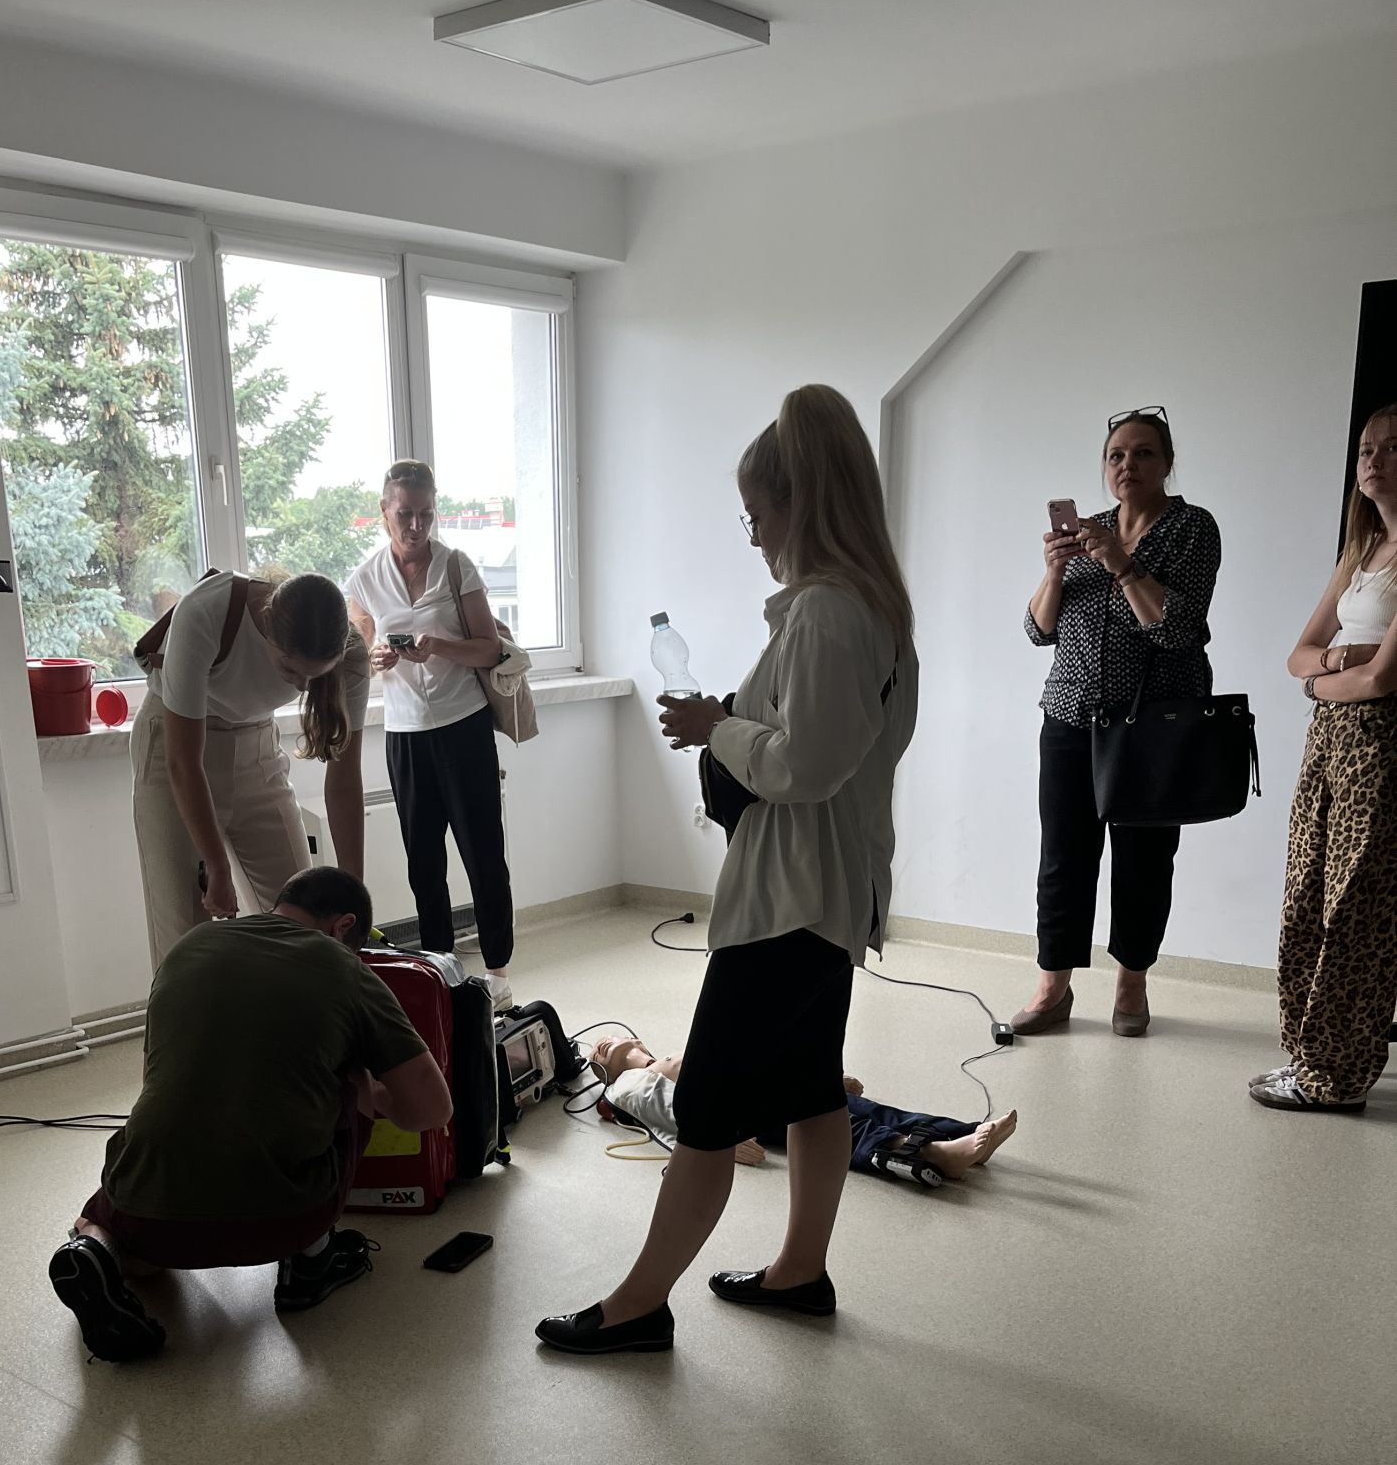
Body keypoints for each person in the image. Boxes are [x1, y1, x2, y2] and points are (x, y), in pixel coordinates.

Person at [537, 384, 919, 1356]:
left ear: (801, 503)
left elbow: (806, 765)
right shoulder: (863, 606)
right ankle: (800, 1271)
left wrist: (718, 728)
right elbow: (819, 742)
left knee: (706, 1108)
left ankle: (638, 1307)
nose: (754, 537)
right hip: (827, 895)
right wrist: (734, 726)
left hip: (790, 902)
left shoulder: (827, 611)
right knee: (811, 1089)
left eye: (756, 515)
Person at [48, 867, 452, 1362]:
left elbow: (159, 1073)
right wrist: (374, 1093)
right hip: (284, 1219)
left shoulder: (189, 946)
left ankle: (94, 1251)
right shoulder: (343, 966)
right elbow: (432, 1110)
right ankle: (312, 1259)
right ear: (344, 926)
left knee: (116, 1223)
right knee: (351, 1076)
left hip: (148, 1212)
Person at [1016, 409, 1222, 1038]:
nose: (1127, 465)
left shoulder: (1192, 528)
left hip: (1151, 727)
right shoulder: (1089, 531)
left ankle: (1132, 984)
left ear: (1166, 464)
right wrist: (1055, 570)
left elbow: (1179, 628)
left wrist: (1122, 565)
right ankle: (1052, 987)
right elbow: (1038, 630)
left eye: (1143, 453)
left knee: (1144, 860)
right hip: (1070, 717)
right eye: (1116, 455)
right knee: (1063, 857)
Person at [1251, 402, 1397, 1113]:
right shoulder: (1361, 552)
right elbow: (1298, 656)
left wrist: (1323, 680)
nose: (1374, 459)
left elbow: (1382, 681)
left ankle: (1337, 1078)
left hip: (1381, 745)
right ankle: (1308, 1054)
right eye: (1368, 448)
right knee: (1306, 894)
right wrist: (1335, 663)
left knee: (1356, 912)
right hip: (1329, 741)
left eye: (1393, 448)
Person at [133, 567, 371, 970]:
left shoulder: (351, 655)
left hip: (256, 742)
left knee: (306, 921)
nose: (302, 687)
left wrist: (353, 898)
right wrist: (216, 865)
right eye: (290, 670)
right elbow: (184, 762)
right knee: (187, 939)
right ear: (267, 626)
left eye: (316, 676)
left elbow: (344, 782)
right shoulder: (206, 611)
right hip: (175, 752)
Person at [347, 461, 516, 1012]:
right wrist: (378, 657)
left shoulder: (455, 566)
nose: (416, 525)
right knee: (424, 863)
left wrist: (437, 645)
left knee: (483, 854)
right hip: (406, 735)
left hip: (464, 725)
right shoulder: (364, 579)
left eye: (425, 513)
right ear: (385, 512)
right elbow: (363, 652)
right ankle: (441, 973)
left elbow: (489, 649)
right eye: (405, 514)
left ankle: (498, 972)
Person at [592, 1034, 1018, 1183]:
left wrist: (821, 1077)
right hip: (744, 1109)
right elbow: (664, 1109)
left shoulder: (664, 1056)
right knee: (838, 1126)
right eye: (597, 1054)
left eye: (603, 1039)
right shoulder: (625, 1085)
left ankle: (961, 1132)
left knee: (869, 1108)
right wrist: (716, 1140)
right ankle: (935, 1154)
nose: (600, 1045)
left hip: (768, 1085)